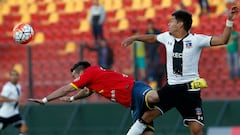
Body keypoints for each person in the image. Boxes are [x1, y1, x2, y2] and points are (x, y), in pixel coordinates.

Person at [122, 6, 239, 135]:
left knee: (196, 130)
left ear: (180, 24)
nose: (168, 23)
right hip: (171, 88)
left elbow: (223, 40)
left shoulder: (196, 40)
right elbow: (152, 38)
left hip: (190, 90)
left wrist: (229, 21)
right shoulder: (167, 37)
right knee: (147, 116)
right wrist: (134, 38)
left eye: (172, 21)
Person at [28, 61, 207, 135]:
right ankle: (181, 90)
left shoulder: (89, 72)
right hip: (132, 103)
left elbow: (68, 88)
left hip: (134, 89)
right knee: (147, 132)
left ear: (81, 72)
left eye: (75, 76)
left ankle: (188, 85)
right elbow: (88, 91)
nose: (74, 80)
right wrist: (74, 99)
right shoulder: (92, 80)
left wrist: (45, 100)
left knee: (153, 97)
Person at [0, 69, 28, 135]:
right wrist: (14, 100)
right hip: (4, 115)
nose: (14, 77)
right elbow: (1, 99)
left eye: (16, 75)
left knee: (24, 129)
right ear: (10, 76)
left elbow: (17, 99)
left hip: (14, 114)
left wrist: (19, 104)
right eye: (12, 75)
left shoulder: (18, 86)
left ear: (18, 77)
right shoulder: (7, 87)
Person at [145, 20, 166, 89]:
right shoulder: (146, 33)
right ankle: (153, 83)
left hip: (156, 53)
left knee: (157, 67)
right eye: (148, 25)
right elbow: (145, 44)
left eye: (150, 24)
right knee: (151, 68)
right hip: (150, 53)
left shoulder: (157, 32)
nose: (149, 26)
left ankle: (157, 83)